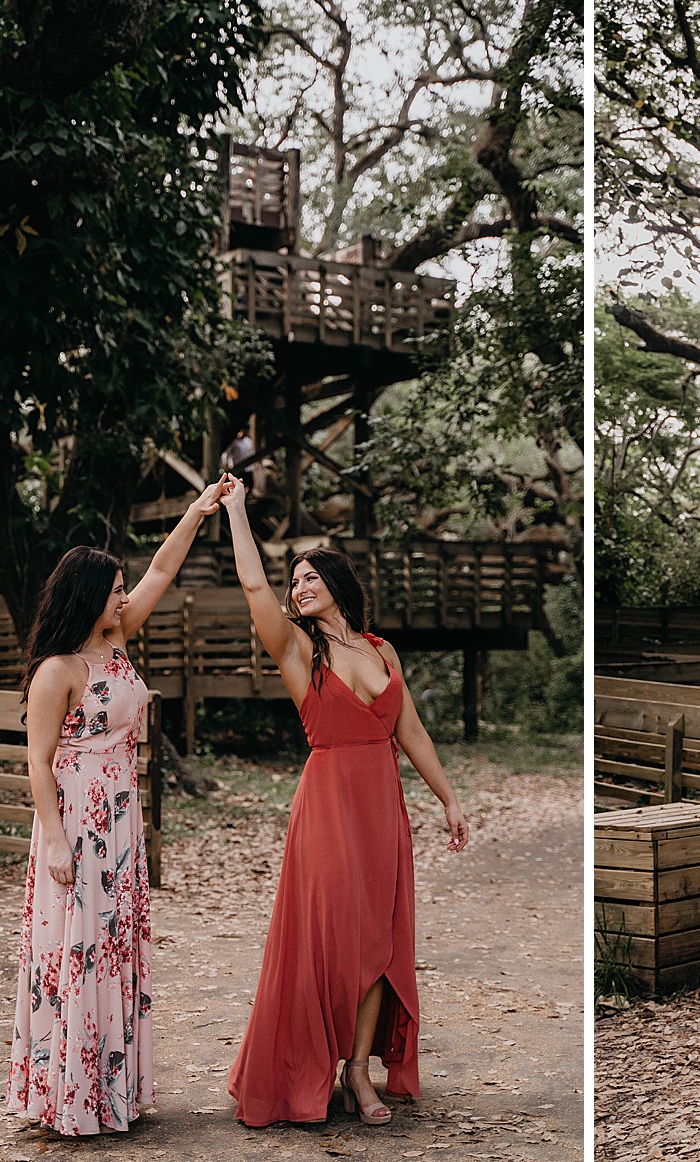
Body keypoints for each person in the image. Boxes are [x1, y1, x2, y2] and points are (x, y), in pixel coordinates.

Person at [219, 475, 470, 1127]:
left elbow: (411, 731)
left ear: (336, 583)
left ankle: (358, 1069)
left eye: (310, 578)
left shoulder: (383, 651)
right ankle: (309, 1061)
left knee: (378, 941)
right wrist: (237, 510)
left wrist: (448, 799)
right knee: (331, 937)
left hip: (382, 808)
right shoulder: (299, 649)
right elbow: (253, 587)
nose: (298, 587)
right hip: (328, 806)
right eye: (294, 581)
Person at [8, 479, 232, 1135]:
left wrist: (196, 511)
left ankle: (111, 1093)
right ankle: (70, 1096)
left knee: (112, 947)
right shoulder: (57, 669)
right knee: (81, 948)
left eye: (122, 588)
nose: (124, 597)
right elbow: (37, 761)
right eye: (113, 589)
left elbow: (162, 568)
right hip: (77, 818)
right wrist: (55, 839)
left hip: (122, 818)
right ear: (87, 596)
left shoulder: (117, 638)